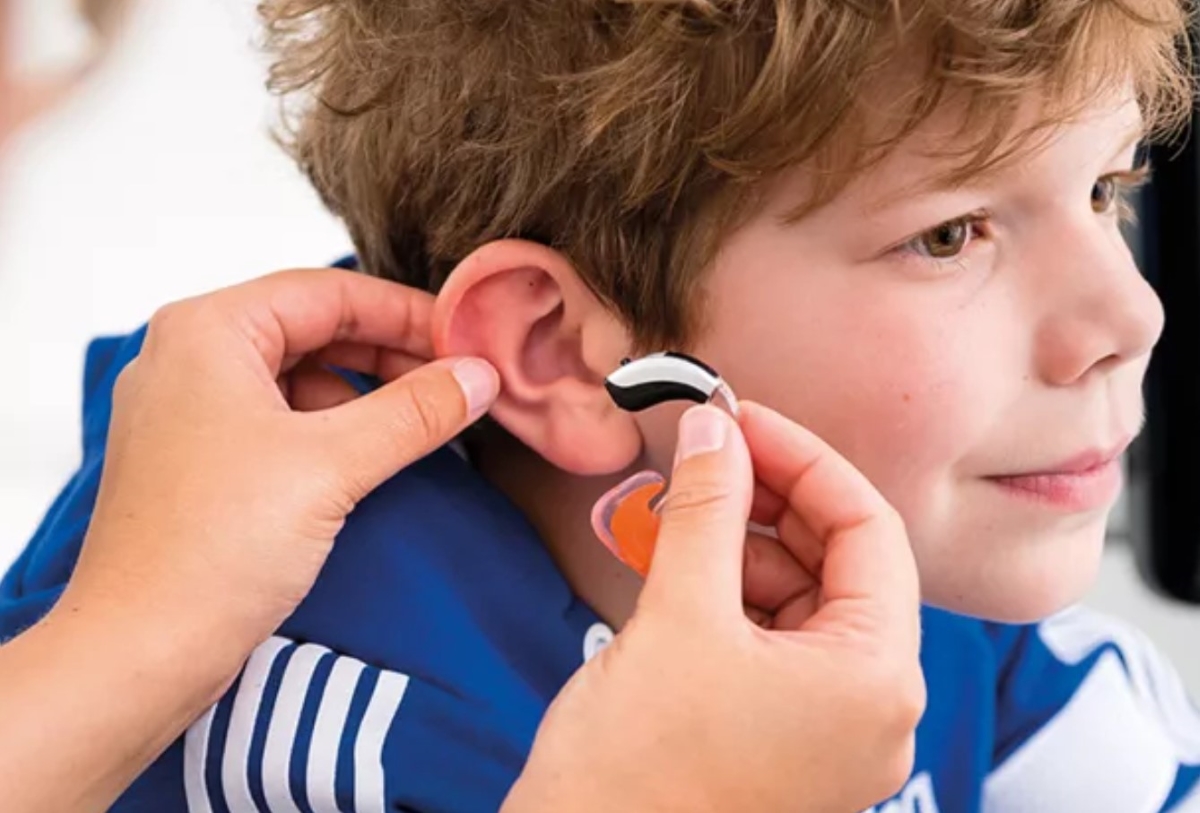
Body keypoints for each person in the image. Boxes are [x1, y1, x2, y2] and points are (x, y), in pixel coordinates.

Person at [6, 1, 1200, 812]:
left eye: (1106, 188)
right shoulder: (317, 729)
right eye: (949, 235)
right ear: (561, 354)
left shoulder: (942, 569)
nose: (1131, 316)